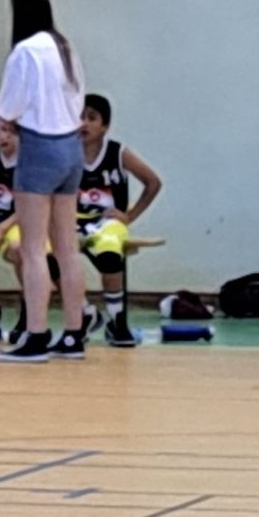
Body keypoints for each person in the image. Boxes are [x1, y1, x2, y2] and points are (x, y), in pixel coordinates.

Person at [0, 0, 87, 363]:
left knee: (32, 249)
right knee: (67, 248)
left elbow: (8, 106)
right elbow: (78, 97)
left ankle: (36, 335)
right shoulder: (65, 47)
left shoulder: (25, 51)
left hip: (39, 147)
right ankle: (74, 334)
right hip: (71, 148)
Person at [77, 93, 163, 347]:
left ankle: (117, 322)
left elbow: (153, 182)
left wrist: (130, 215)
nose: (84, 123)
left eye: (91, 118)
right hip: (75, 219)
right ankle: (85, 313)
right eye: (80, 117)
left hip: (108, 221)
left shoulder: (117, 152)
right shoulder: (67, 152)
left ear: (105, 126)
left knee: (110, 254)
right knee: (49, 255)